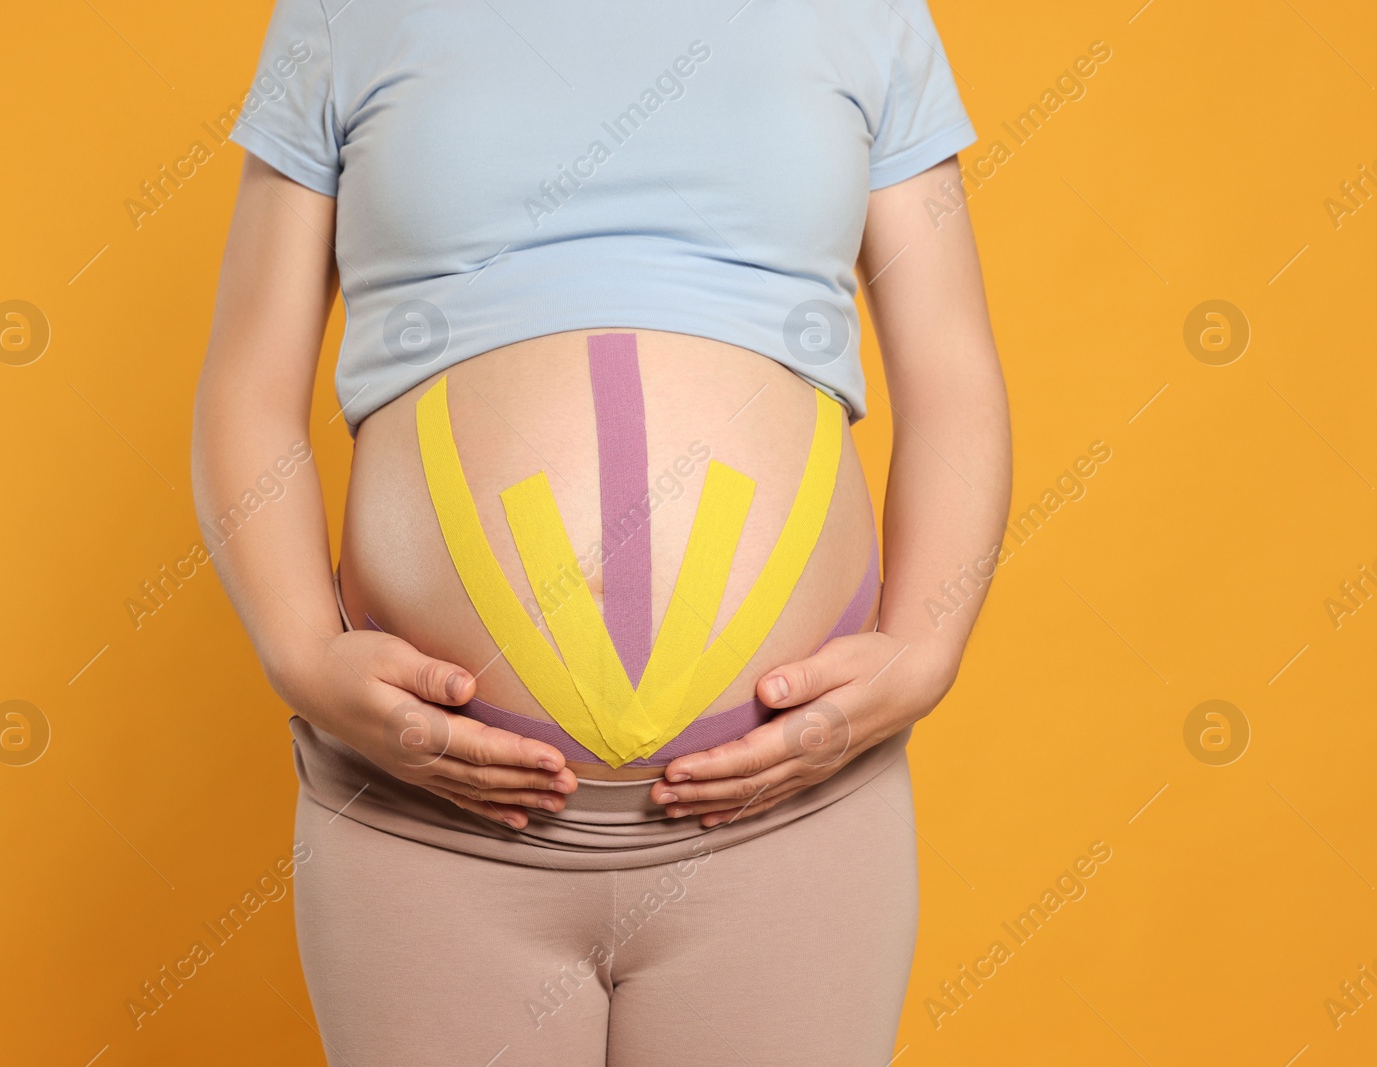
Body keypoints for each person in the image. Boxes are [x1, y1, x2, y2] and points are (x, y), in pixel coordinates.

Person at [192, 0, 1010, 1062]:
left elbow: (950, 367)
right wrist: (301, 653)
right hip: (425, 821)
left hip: (789, 813)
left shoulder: (862, 13)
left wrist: (926, 649)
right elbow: (249, 381)